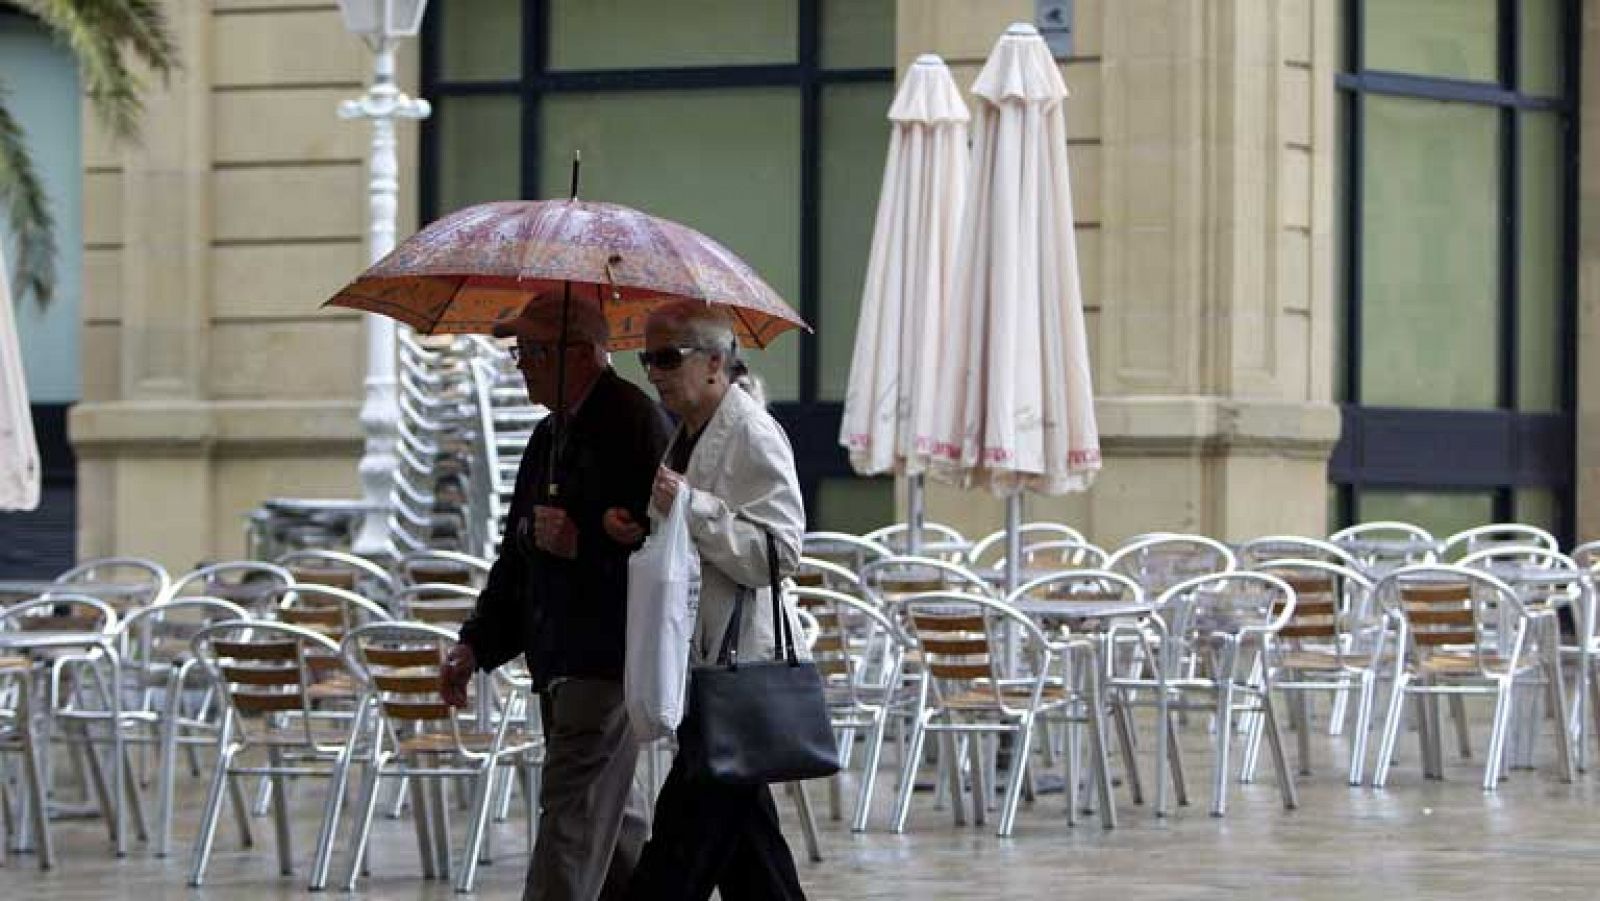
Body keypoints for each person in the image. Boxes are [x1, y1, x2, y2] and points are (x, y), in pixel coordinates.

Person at [440, 295, 672, 901]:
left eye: (532, 353)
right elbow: (517, 557)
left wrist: (586, 542)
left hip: (608, 657)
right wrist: (475, 643)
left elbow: (669, 553)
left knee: (571, 819)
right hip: (558, 654)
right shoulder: (549, 434)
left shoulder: (636, 423)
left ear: (580, 355)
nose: (522, 366)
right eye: (521, 353)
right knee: (612, 822)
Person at [625, 300, 809, 901]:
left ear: (712, 363)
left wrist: (693, 508)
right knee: (752, 856)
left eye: (665, 357)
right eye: (645, 357)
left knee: (678, 852)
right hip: (703, 665)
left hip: (736, 665)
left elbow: (779, 552)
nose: (652, 371)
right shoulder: (687, 432)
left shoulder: (751, 431)